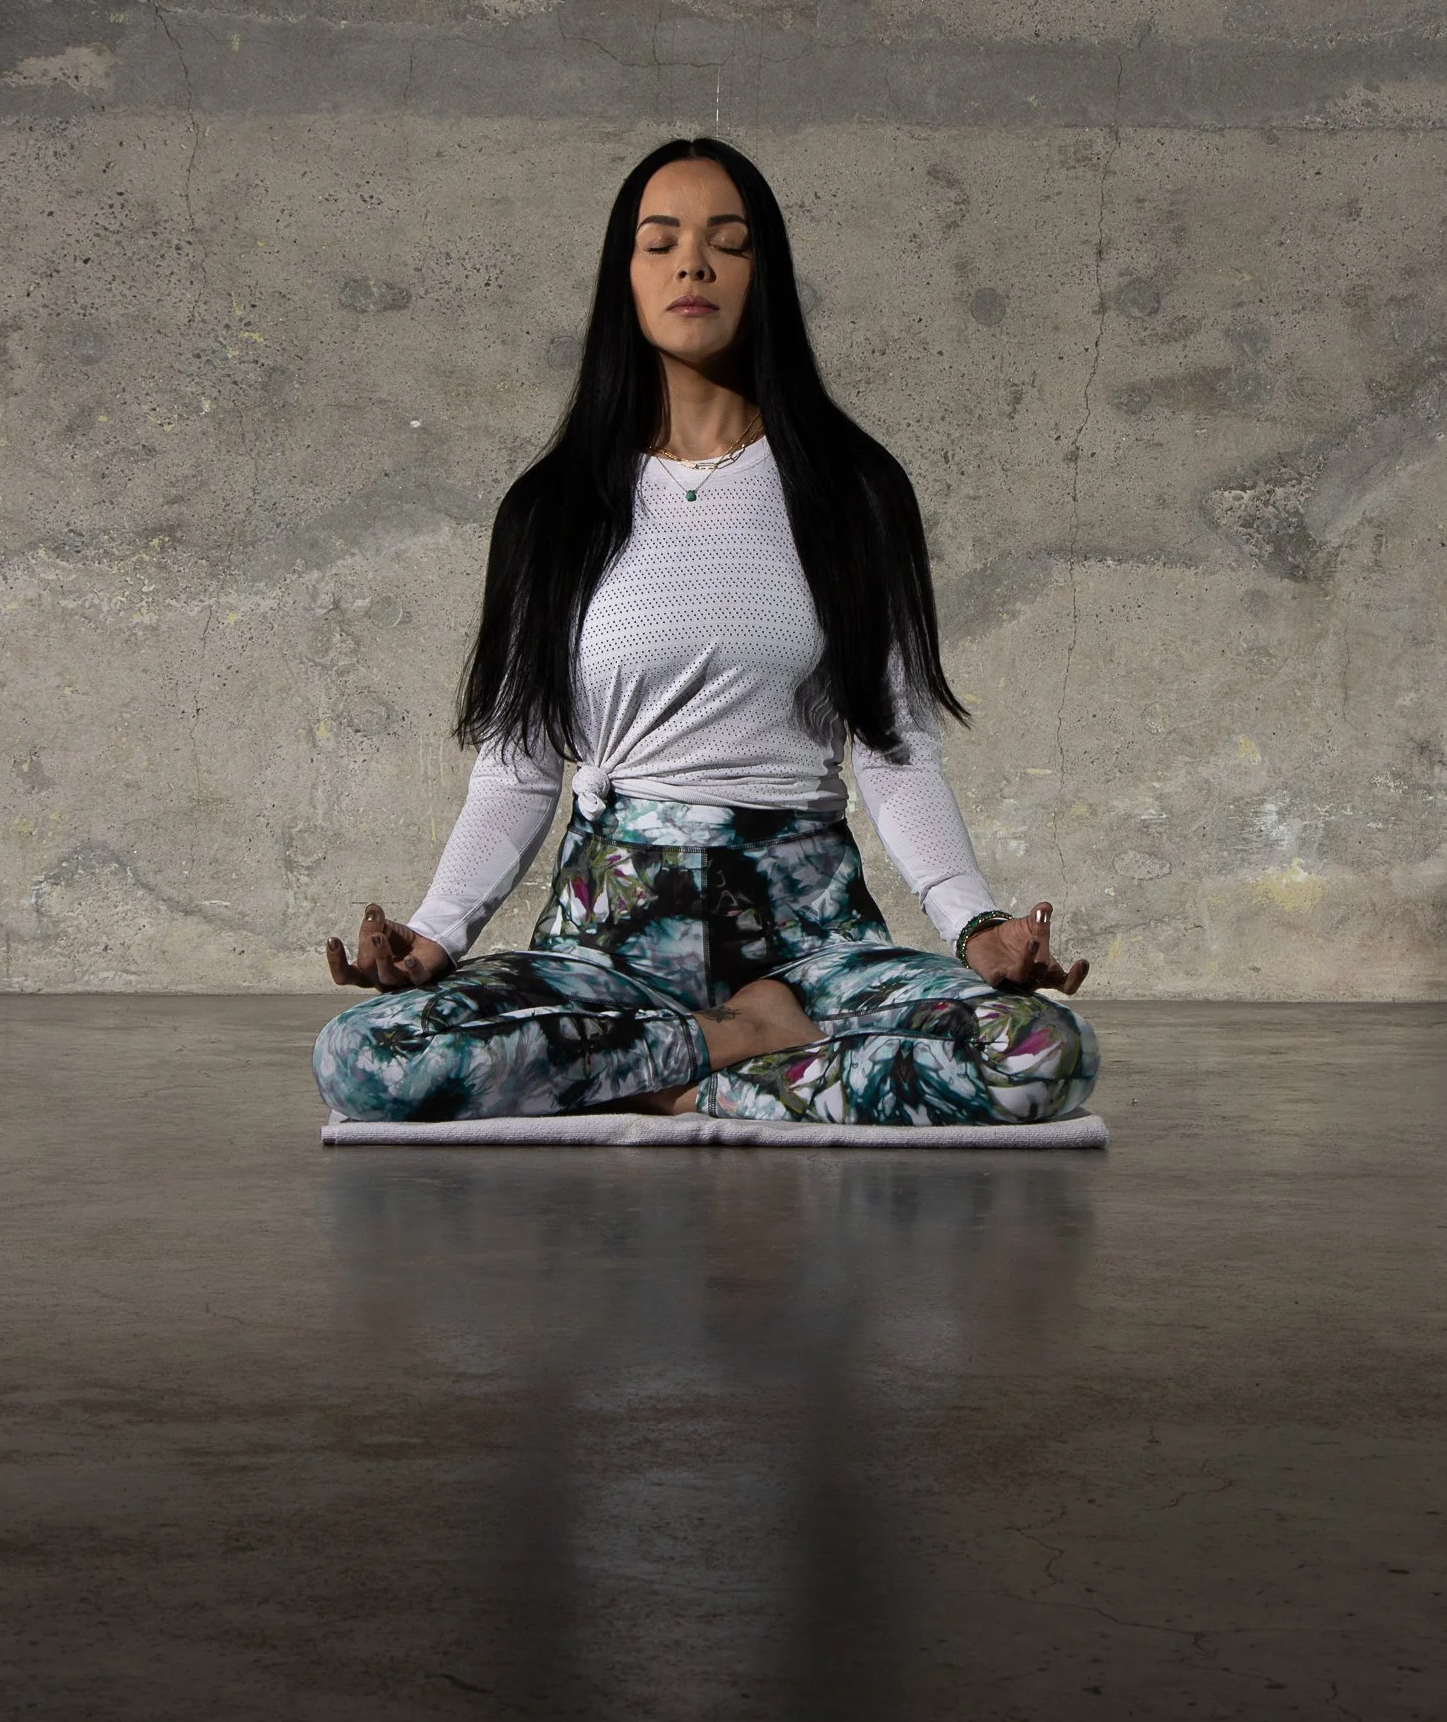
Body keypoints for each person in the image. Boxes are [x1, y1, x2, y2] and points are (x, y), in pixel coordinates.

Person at [312, 137, 1099, 1128]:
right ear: (625, 277)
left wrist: (973, 922)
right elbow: (519, 766)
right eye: (661, 243)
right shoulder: (551, 509)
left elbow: (895, 747)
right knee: (364, 1057)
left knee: (1041, 1052)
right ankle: (730, 1055)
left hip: (807, 939)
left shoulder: (854, 492)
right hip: (606, 947)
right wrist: (432, 936)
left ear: (766, 275)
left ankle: (654, 1077)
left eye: (728, 243)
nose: (693, 265)